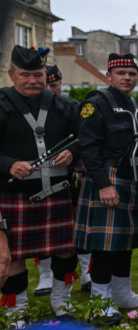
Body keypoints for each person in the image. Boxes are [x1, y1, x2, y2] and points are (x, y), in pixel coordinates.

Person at [0, 45, 79, 320]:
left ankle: (61, 301)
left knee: (67, 251)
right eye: (25, 75)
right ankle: (16, 311)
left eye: (38, 74)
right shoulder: (1, 105)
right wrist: (8, 163)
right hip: (16, 196)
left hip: (58, 195)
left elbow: (84, 139)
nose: (33, 80)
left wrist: (73, 152)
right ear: (12, 74)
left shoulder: (65, 106)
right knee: (14, 257)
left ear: (45, 74)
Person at [74, 53, 138, 325]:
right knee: (103, 247)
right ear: (108, 76)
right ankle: (99, 301)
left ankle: (122, 294)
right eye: (121, 73)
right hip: (106, 179)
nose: (127, 78)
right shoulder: (96, 104)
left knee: (124, 244)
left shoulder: (132, 106)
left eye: (132, 73)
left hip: (130, 179)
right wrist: (104, 185)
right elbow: (88, 149)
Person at [45, 65, 92, 294]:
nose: (52, 90)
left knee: (76, 227)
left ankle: (86, 273)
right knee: (44, 231)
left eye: (55, 85)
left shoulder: (72, 107)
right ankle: (44, 276)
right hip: (36, 178)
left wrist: (73, 153)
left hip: (71, 176)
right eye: (48, 85)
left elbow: (85, 138)